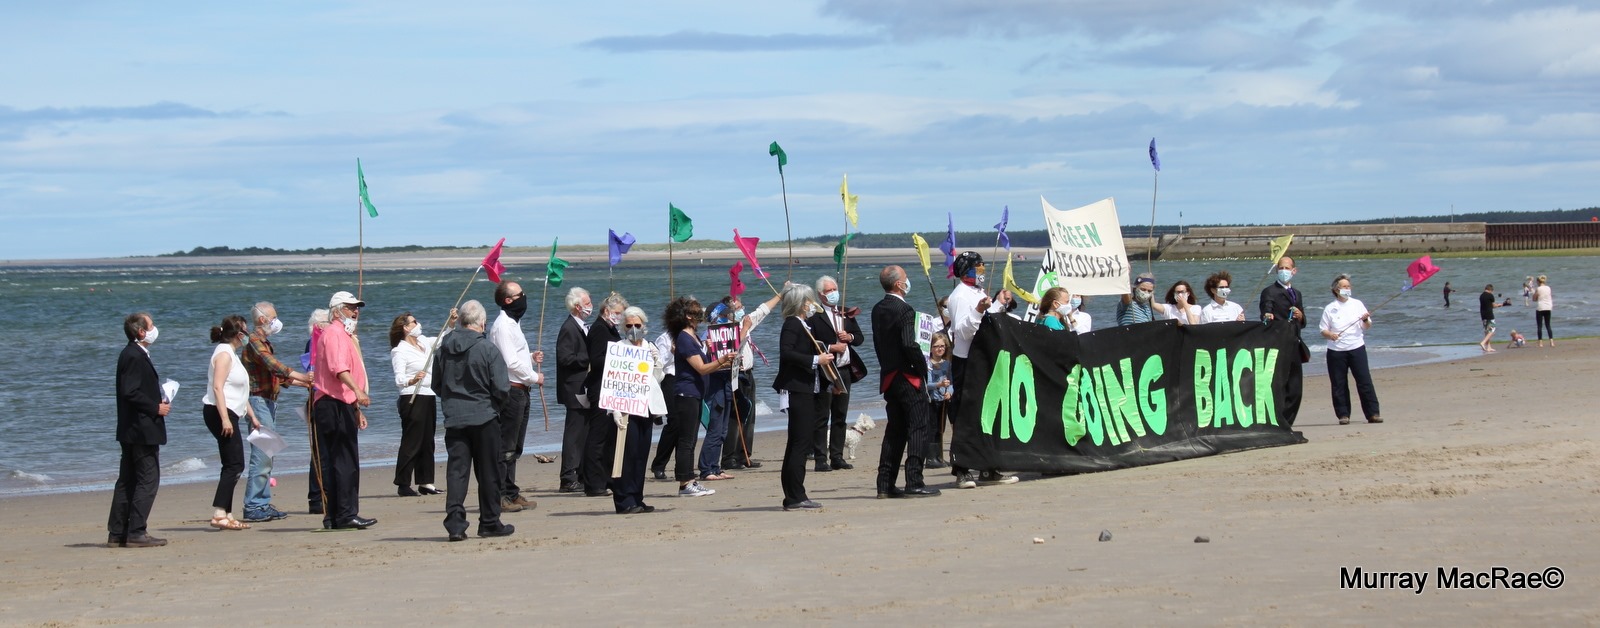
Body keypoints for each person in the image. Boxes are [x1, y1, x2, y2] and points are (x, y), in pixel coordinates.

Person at [433, 300, 514, 541]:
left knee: (457, 472)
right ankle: (489, 521)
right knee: (489, 472)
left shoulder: (443, 349)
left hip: (456, 417)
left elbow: (437, 384)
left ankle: (456, 524)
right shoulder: (487, 349)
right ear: (481, 323)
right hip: (483, 416)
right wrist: (495, 407)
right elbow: (501, 387)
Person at [942, 251, 1018, 489]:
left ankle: (989, 467)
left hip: (983, 358)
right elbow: (963, 331)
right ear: (967, 270)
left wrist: (996, 304)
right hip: (967, 360)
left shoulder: (977, 292)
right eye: (979, 267)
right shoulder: (959, 296)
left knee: (988, 413)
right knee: (967, 415)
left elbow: (988, 321)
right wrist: (977, 310)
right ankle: (962, 469)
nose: (982, 271)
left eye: (983, 267)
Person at [870, 265, 941, 499]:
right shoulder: (904, 310)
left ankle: (885, 483)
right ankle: (914, 481)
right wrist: (922, 368)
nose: (908, 282)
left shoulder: (878, 309)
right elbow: (910, 344)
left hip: (889, 374)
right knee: (919, 427)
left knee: (895, 429)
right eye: (906, 279)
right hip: (907, 375)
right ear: (899, 284)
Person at [239, 302, 311, 523]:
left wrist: (304, 384)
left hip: (268, 401)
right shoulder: (254, 341)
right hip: (257, 401)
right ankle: (253, 506)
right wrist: (303, 376)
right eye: (274, 317)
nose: (276, 321)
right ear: (262, 319)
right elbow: (275, 366)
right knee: (261, 455)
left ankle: (262, 502)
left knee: (268, 453)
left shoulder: (265, 342)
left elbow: (277, 377)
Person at [311, 291, 376, 530]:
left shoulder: (342, 335)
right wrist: (358, 391)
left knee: (338, 460)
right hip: (333, 403)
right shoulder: (335, 334)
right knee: (344, 461)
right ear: (338, 310)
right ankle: (345, 514)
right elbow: (338, 369)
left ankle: (335, 515)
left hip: (339, 403)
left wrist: (356, 407)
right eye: (350, 308)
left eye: (357, 307)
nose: (355, 311)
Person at [108, 312, 171, 548]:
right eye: (152, 325)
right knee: (148, 479)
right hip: (140, 428)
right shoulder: (133, 355)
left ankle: (118, 532)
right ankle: (136, 531)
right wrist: (156, 407)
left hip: (132, 428)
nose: (155, 329)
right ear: (142, 332)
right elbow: (130, 391)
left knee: (128, 479)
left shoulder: (133, 354)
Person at [664, 296, 734, 498]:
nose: (700, 317)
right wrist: (722, 360)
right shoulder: (685, 339)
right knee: (686, 440)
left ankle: (689, 480)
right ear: (688, 316)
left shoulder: (692, 337)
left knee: (691, 438)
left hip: (694, 394)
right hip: (686, 394)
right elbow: (702, 368)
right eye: (696, 314)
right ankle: (685, 483)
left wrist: (717, 356)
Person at [773, 284, 829, 510]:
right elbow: (786, 353)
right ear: (801, 303)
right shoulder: (792, 324)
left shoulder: (804, 324)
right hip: (797, 389)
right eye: (809, 300)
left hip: (808, 387)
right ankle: (796, 494)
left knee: (799, 441)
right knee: (800, 442)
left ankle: (794, 493)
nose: (812, 304)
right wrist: (815, 360)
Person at [490, 281, 545, 512]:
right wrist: (534, 376)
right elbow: (510, 362)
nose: (524, 297)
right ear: (508, 300)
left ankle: (511, 491)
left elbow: (516, 356)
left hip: (521, 389)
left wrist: (531, 357)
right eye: (520, 294)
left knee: (516, 447)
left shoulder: (514, 323)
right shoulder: (502, 325)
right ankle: (500, 495)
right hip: (511, 390)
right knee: (506, 447)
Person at [202, 314, 260, 531]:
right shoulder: (224, 354)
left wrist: (252, 415)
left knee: (231, 463)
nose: (247, 335)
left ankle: (226, 513)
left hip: (232, 411)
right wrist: (225, 419)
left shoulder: (232, 354)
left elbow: (240, 390)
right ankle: (219, 513)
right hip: (219, 412)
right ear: (238, 334)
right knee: (235, 464)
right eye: (245, 331)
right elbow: (218, 387)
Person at [389, 311, 451, 497]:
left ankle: (426, 482)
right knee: (412, 441)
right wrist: (412, 379)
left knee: (427, 440)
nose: (418, 323)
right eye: (414, 322)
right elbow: (399, 378)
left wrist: (452, 322)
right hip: (412, 397)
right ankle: (403, 483)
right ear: (405, 328)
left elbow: (441, 339)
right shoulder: (399, 350)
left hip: (428, 394)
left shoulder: (423, 341)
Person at [723, 290, 783, 471]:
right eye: (738, 308)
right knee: (735, 417)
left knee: (750, 415)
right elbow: (730, 347)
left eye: (742, 307)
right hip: (734, 374)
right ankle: (728, 457)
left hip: (748, 373)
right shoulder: (723, 328)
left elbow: (763, 310)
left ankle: (744, 455)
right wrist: (744, 329)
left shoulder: (744, 322)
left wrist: (780, 295)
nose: (743, 311)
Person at [611, 306, 662, 514]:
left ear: (644, 326)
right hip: (626, 408)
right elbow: (612, 380)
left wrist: (656, 361)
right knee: (627, 454)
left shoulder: (649, 346)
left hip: (646, 405)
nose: (633, 329)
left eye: (637, 325)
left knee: (641, 453)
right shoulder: (618, 347)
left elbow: (657, 377)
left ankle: (638, 497)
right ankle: (624, 500)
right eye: (629, 325)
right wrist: (615, 410)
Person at [813, 275, 864, 472]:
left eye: (835, 289)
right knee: (822, 415)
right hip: (825, 370)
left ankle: (837, 456)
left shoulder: (845, 314)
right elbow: (811, 344)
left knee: (840, 415)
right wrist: (831, 346)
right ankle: (820, 458)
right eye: (829, 291)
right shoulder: (815, 316)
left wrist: (849, 337)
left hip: (844, 370)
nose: (833, 293)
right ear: (820, 294)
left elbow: (859, 338)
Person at [581, 293, 628, 496]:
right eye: (618, 313)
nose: (620, 317)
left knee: (609, 436)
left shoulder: (611, 328)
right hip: (600, 389)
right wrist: (617, 357)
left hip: (612, 388)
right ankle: (593, 482)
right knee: (597, 436)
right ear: (607, 311)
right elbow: (596, 360)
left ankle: (607, 477)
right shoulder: (599, 329)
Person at [1317, 275, 1381, 425]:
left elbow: (1366, 326)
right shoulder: (1330, 308)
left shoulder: (1357, 304)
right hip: (1336, 351)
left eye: (1348, 286)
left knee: (1364, 380)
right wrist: (1330, 335)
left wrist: (1365, 319)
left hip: (1356, 347)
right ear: (1336, 289)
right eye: (1343, 286)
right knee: (1339, 383)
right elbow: (1322, 330)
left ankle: (1373, 413)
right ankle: (1343, 414)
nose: (1347, 289)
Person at [1259, 256, 1306, 427]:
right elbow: (1266, 309)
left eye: (1287, 268)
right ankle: (1277, 421)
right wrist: (1267, 315)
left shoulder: (1297, 293)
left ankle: (1286, 422)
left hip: (1294, 342)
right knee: (1278, 385)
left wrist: (1301, 316)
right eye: (1281, 268)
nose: (1284, 271)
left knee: (1296, 389)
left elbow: (1303, 321)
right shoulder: (1270, 291)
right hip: (1277, 343)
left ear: (1294, 271)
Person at [555, 287, 593, 494]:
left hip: (583, 386)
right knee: (574, 433)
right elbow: (565, 358)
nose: (590, 306)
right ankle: (568, 477)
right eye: (587, 303)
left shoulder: (582, 327)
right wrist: (589, 359)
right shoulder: (569, 328)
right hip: (573, 387)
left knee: (584, 432)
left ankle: (580, 473)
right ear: (577, 306)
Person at [303, 308, 331, 515]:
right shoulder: (314, 342)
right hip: (319, 399)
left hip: (327, 399)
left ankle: (326, 494)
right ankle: (316, 497)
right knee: (320, 451)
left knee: (329, 450)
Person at [925, 332, 953, 467]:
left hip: (943, 400)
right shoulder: (928, 364)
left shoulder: (947, 364)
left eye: (942, 346)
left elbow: (952, 382)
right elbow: (926, 385)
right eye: (936, 346)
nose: (940, 349)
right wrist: (939, 385)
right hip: (931, 401)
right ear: (931, 348)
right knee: (932, 428)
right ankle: (930, 458)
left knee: (941, 428)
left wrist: (950, 393)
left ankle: (939, 456)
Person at [1478, 284, 1502, 353]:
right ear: (1491, 290)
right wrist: (1499, 305)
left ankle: (1488, 347)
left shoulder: (1481, 296)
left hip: (1483, 315)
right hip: (1489, 314)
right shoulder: (1490, 295)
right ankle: (1483, 342)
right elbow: (1493, 305)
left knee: (1487, 331)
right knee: (1492, 330)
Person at [1534, 275, 1554, 348]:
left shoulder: (1538, 289)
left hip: (1540, 307)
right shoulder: (1548, 288)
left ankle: (1540, 343)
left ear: (1538, 282)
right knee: (1548, 325)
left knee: (1539, 326)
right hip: (1548, 307)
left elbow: (1534, 299)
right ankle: (1551, 342)